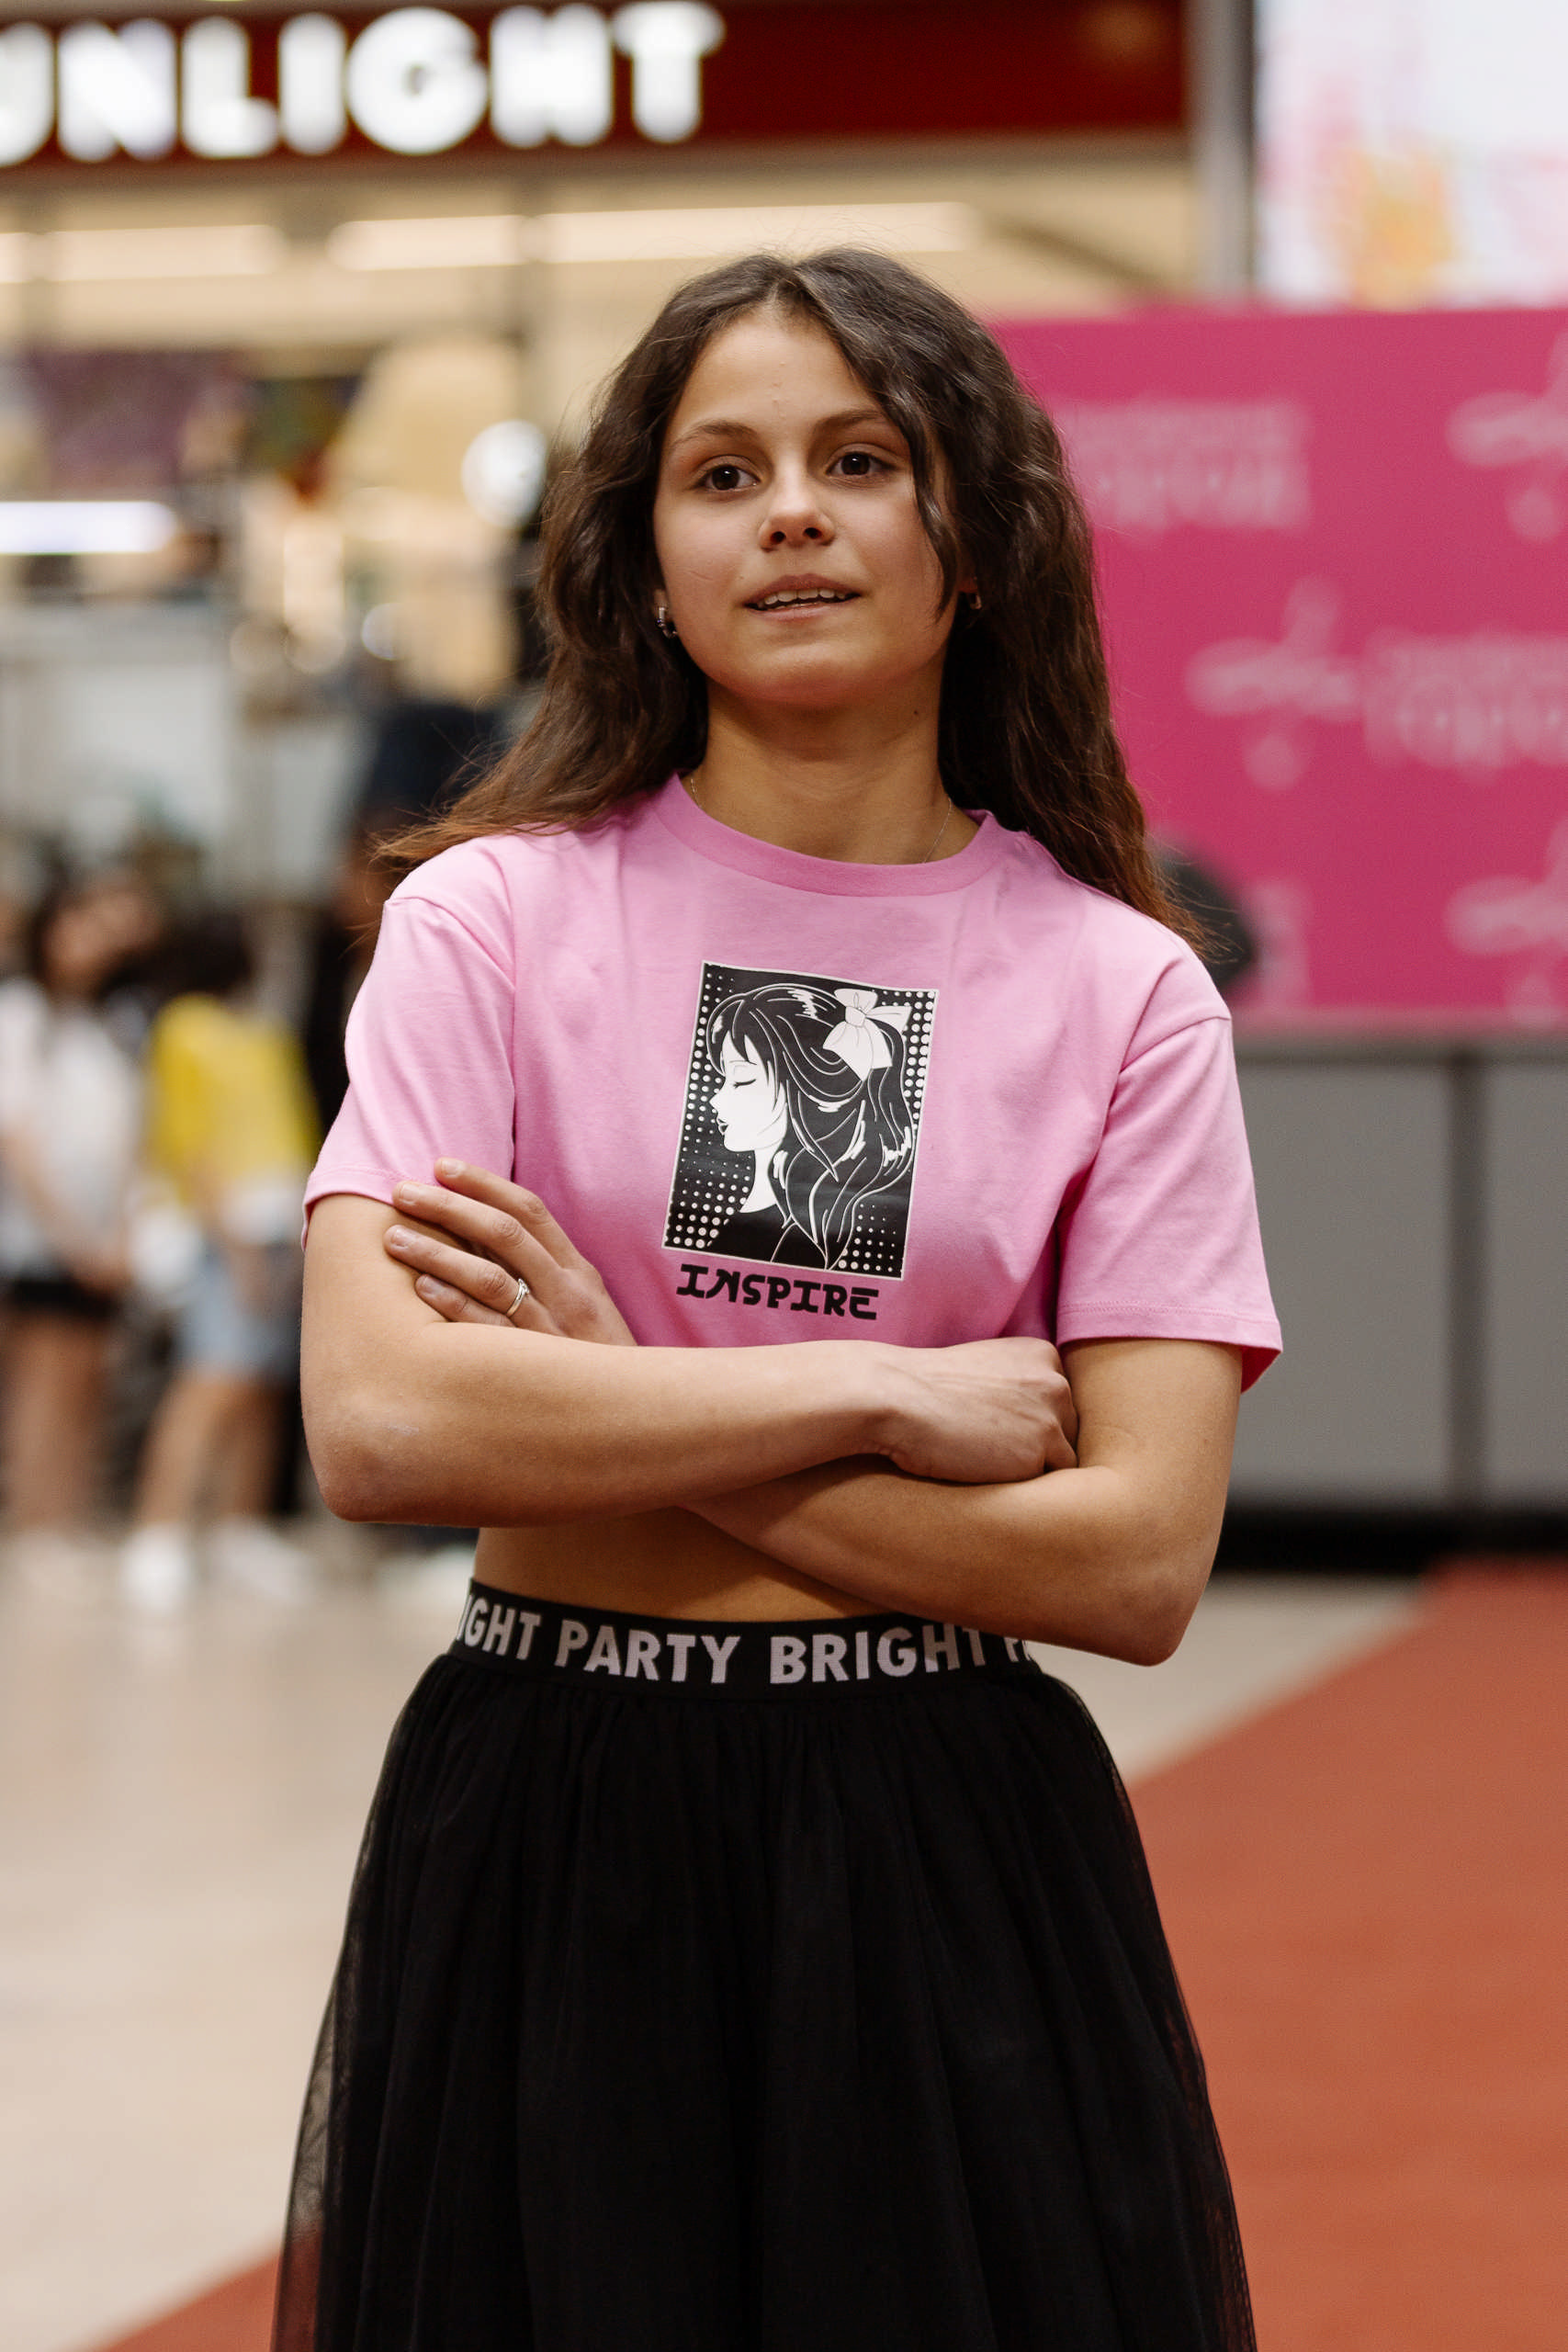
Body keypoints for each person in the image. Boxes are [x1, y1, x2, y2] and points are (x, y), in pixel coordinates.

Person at [278, 249, 1280, 2352]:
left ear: (974, 535)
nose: (790, 514)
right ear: (645, 562)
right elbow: (384, 1423)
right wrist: (875, 1392)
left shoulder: (1122, 986)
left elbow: (1129, 1559)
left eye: (858, 460)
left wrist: (609, 1393)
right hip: (549, 1804)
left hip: (941, 1831)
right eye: (721, 473)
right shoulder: (487, 919)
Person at [121, 909, 319, 1611]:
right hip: (221, 1231)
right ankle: (158, 1535)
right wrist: (231, 1242)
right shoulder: (183, 1027)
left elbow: (295, 1130)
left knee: (262, 1387)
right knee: (209, 1381)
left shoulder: (265, 1033)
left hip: (279, 1226)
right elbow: (186, 1139)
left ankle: (240, 1531)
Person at [0, 870, 159, 1576]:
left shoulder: (110, 1026)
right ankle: (33, 1525)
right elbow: (16, 1137)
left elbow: (129, 1138)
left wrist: (121, 1232)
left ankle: (65, 1518)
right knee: (42, 1382)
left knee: (88, 1381)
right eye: (76, 924)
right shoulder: (19, 1015)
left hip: (104, 1237)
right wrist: (70, 1238)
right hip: (40, 1238)